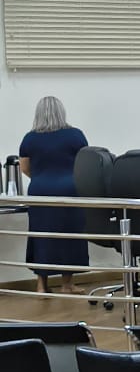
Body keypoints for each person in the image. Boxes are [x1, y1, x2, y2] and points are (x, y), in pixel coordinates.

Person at [18, 96, 89, 295]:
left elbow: (24, 167)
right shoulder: (75, 135)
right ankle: (67, 284)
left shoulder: (30, 138)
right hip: (70, 191)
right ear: (61, 112)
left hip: (40, 191)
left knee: (41, 237)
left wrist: (42, 179)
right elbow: (84, 163)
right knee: (70, 236)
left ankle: (41, 285)